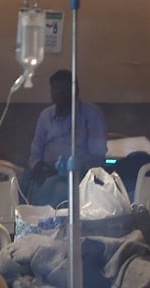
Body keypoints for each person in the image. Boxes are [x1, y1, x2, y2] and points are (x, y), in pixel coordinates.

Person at [22, 69, 107, 206]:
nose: (59, 94)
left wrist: (72, 165)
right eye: (55, 89)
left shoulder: (91, 115)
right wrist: (38, 165)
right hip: (46, 169)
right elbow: (36, 149)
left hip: (77, 173)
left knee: (57, 192)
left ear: (76, 91)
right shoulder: (45, 116)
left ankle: (49, 223)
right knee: (21, 184)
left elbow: (98, 155)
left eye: (64, 90)